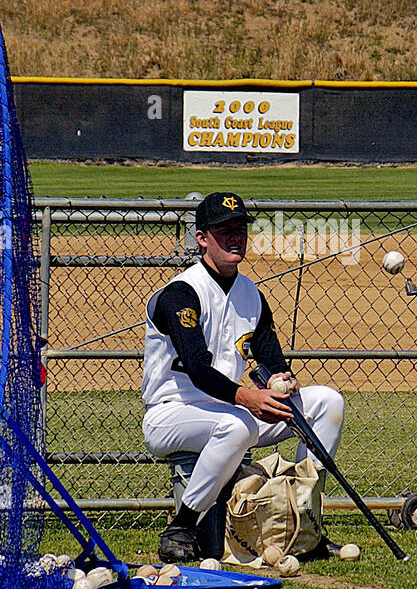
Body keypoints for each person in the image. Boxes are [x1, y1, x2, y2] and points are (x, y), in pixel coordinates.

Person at [141, 192, 345, 563]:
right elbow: (198, 368)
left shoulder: (251, 294)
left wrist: (281, 379)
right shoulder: (182, 293)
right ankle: (182, 526)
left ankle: (303, 522)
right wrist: (249, 398)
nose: (235, 238)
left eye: (240, 230)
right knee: (237, 427)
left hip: (232, 410)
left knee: (327, 403)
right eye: (224, 231)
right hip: (173, 413)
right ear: (202, 238)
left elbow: (271, 359)